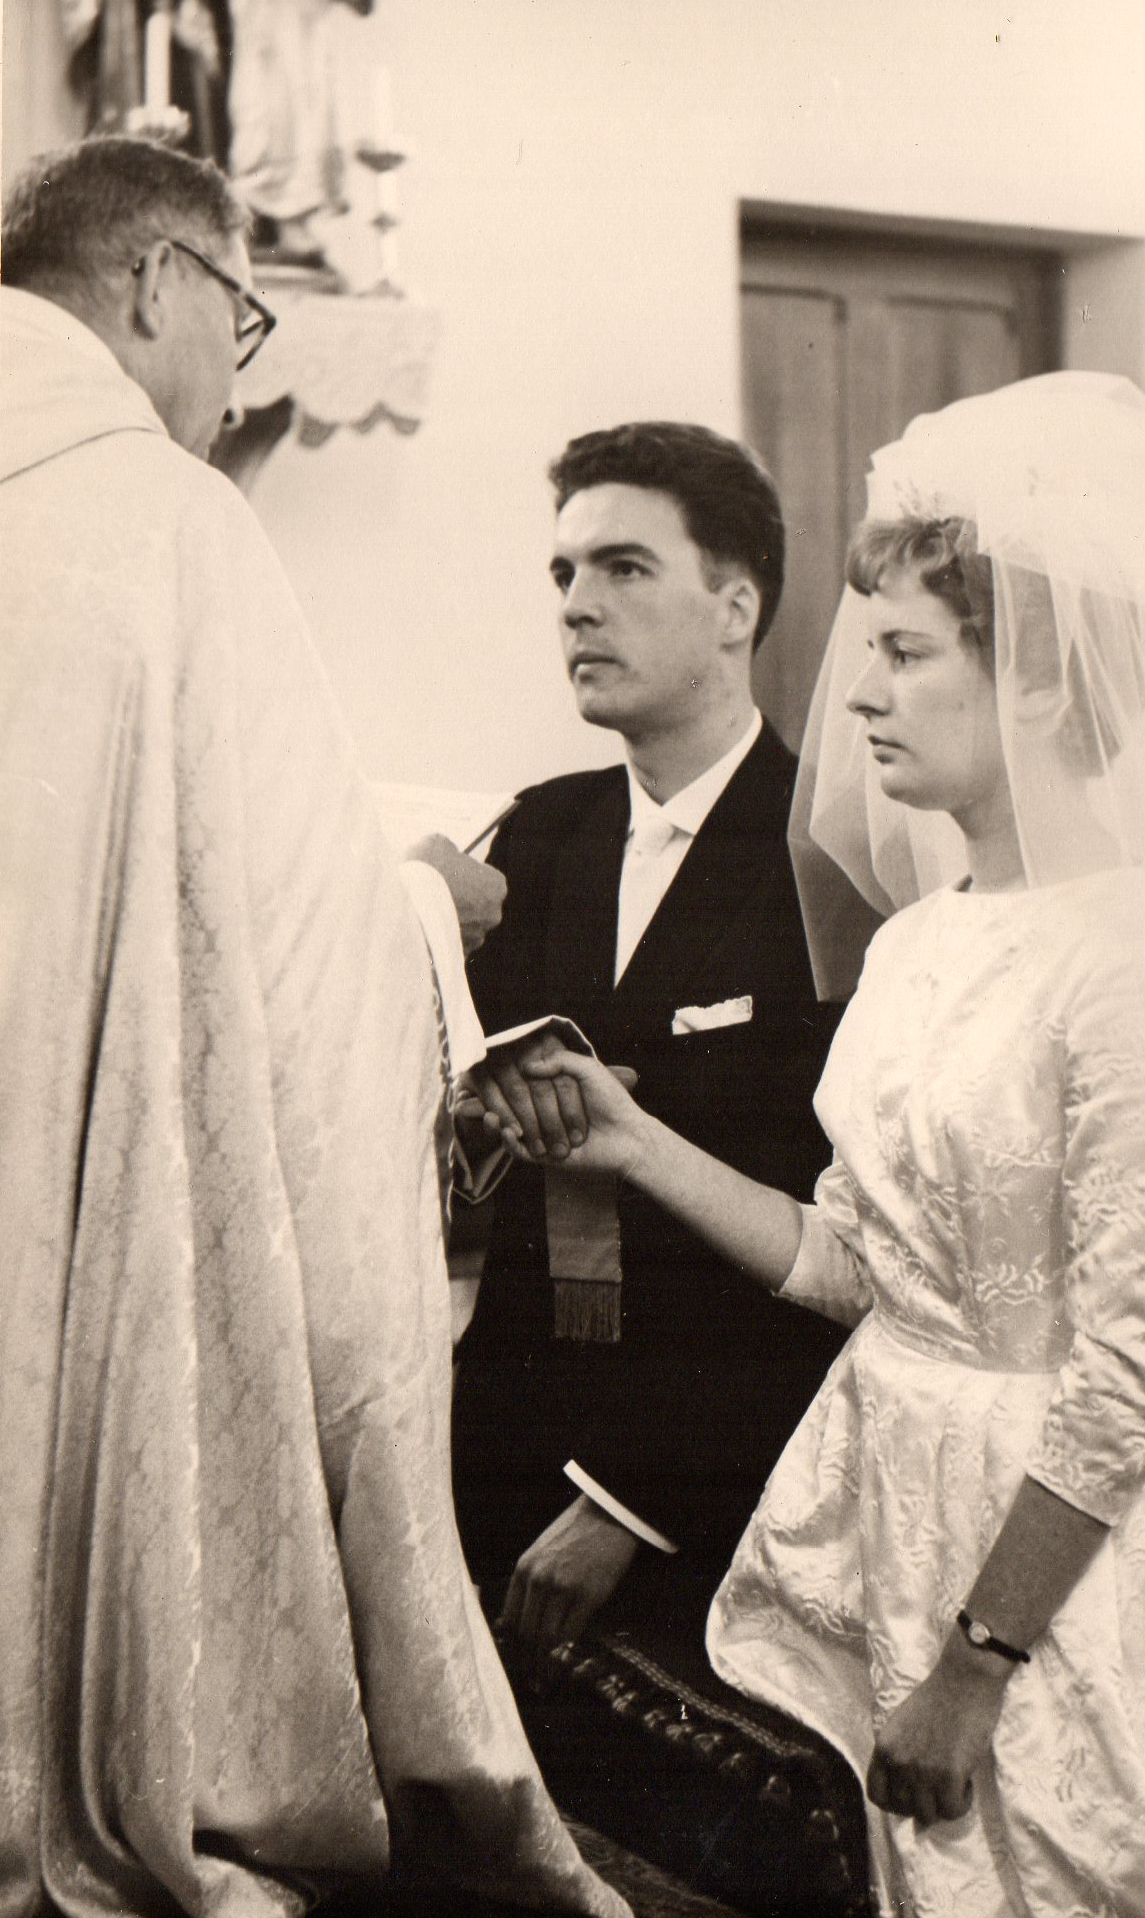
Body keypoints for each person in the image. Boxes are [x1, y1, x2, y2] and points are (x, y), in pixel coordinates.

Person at [473, 376, 1145, 1916]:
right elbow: (855, 1264)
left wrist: (975, 1665)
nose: (860, 696)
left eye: (903, 654)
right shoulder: (914, 941)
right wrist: (630, 1140)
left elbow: (1134, 1366)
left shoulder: (1130, 959)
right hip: (896, 1505)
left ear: (1032, 681)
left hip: (1064, 1562)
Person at [0, 136, 624, 1918]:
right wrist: (423, 903)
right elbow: (280, 942)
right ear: (156, 282)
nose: (233, 377)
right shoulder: (165, 514)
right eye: (243, 318)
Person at [452, 422, 843, 1678]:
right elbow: (465, 1134)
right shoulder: (533, 834)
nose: (577, 606)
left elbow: (845, 1233)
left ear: (736, 608)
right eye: (564, 573)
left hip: (713, 1482)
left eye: (624, 568)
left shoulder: (826, 861)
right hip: (499, 1442)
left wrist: (634, 1500)